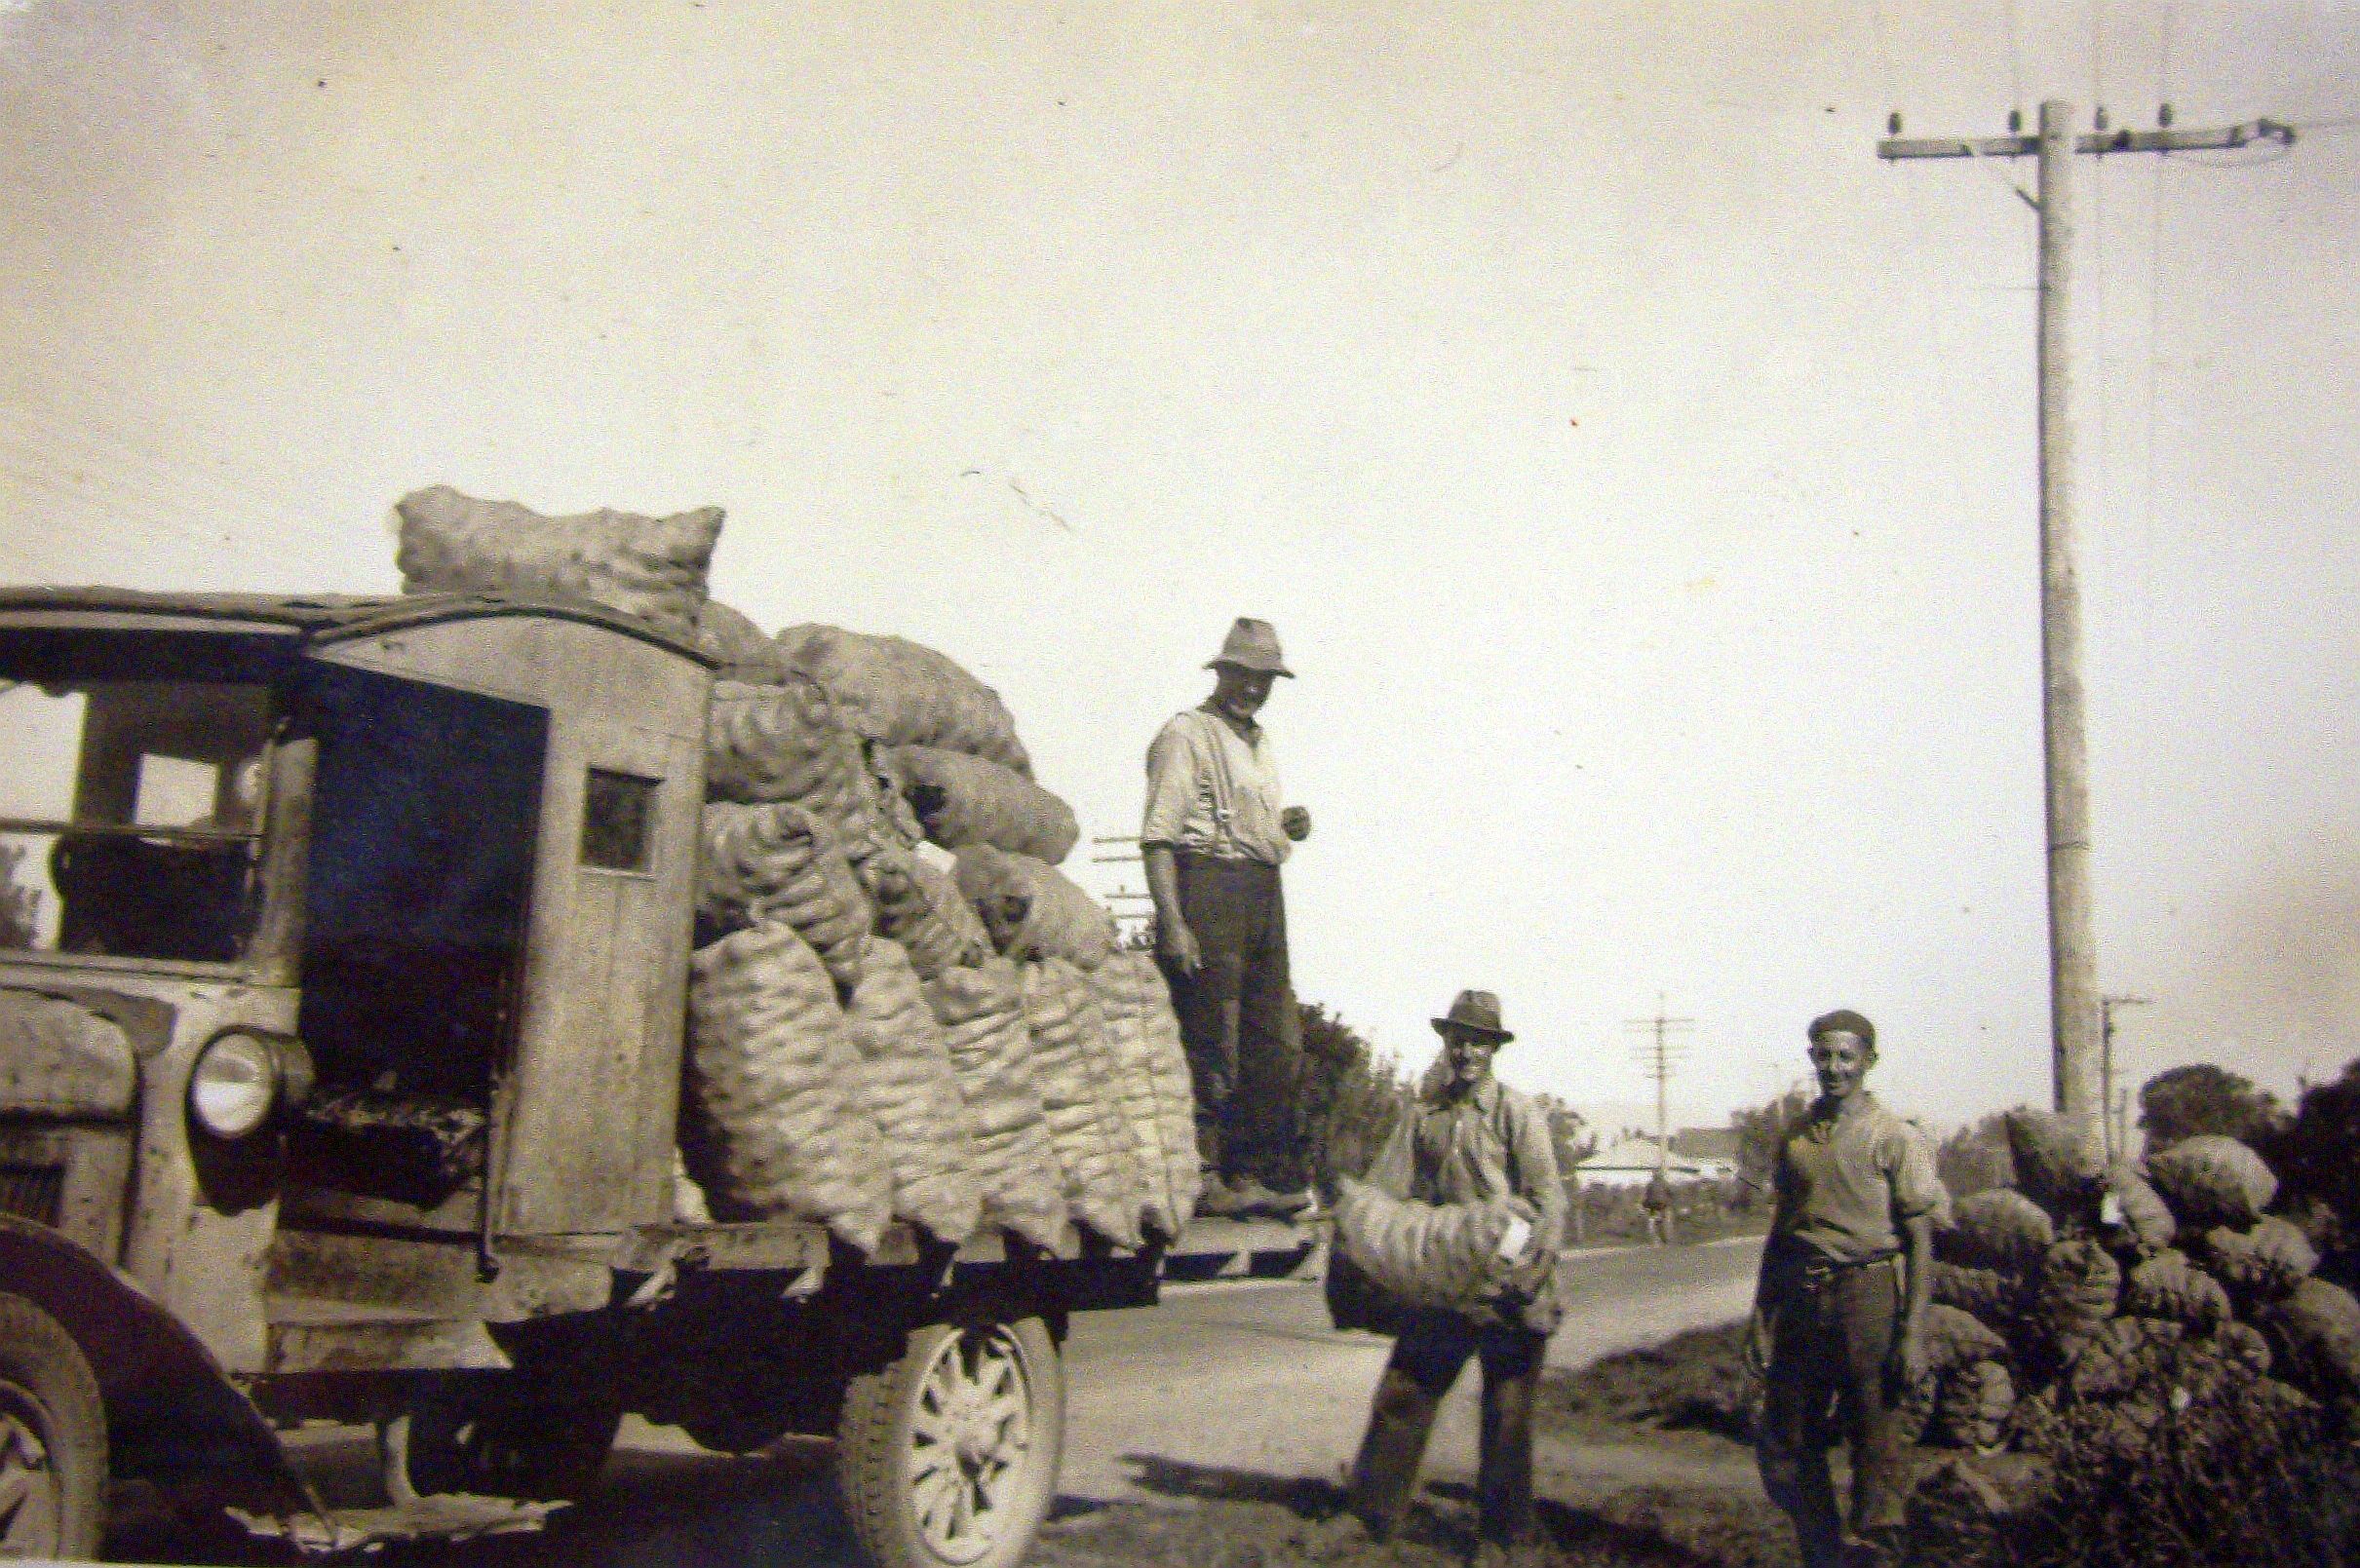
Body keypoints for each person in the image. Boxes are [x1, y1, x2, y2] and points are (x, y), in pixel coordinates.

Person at [1316, 990, 1567, 1567]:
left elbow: (1548, 1198)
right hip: (1446, 1283)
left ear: (1494, 1049)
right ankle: (1371, 1519)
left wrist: (1534, 1265)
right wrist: (1356, 1218)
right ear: (1445, 1043)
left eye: (1478, 1041)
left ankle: (1502, 1539)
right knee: (1405, 1391)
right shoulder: (1424, 1116)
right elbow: (1386, 1190)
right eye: (1458, 1039)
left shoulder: (1516, 1113)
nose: (1467, 1051)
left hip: (1511, 1284)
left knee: (1507, 1414)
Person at [1745, 1009, 1950, 1568]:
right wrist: (1761, 1317)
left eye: (1846, 1057)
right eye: (1823, 1055)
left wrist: (1913, 1334)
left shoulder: (1895, 1137)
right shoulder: (1796, 1139)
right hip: (1804, 1299)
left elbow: (1921, 1240)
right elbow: (1781, 1233)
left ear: (1868, 1062)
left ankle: (1875, 1550)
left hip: (1870, 1298)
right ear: (1812, 1058)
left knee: (1877, 1444)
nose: (1833, 1068)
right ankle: (1826, 1553)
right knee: (1785, 1445)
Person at [1141, 617, 1313, 1218]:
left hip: (1263, 893)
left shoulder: (1256, 740)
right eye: (1244, 675)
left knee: (1278, 1040)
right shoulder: (1187, 735)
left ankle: (1251, 1172)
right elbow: (1159, 837)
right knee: (1216, 1036)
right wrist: (1172, 921)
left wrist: (1284, 825)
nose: (1254, 689)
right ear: (1222, 672)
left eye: (1265, 679)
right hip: (1209, 888)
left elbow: (1249, 822)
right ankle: (1207, 1171)